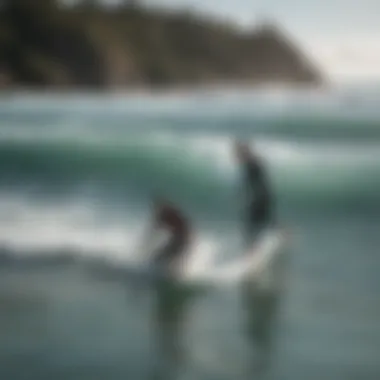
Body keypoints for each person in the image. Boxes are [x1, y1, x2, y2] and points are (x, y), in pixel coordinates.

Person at [234, 141, 274, 248]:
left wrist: (255, 199)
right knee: (262, 223)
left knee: (253, 227)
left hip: (260, 199)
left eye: (238, 153)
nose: (236, 157)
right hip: (261, 198)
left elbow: (258, 184)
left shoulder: (251, 165)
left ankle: (252, 249)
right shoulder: (253, 163)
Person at [146, 198, 191, 271]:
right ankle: (170, 271)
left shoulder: (165, 214)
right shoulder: (170, 214)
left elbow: (153, 231)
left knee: (160, 258)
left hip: (182, 240)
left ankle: (164, 272)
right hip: (181, 239)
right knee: (165, 257)